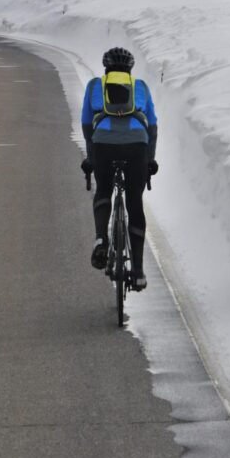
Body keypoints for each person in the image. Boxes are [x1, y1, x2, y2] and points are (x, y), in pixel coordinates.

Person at [80, 47, 158, 290]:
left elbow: (86, 124)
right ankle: (137, 271)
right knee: (134, 202)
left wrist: (91, 157)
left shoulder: (95, 86)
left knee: (103, 189)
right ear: (130, 69)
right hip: (137, 145)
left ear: (106, 69)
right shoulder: (141, 87)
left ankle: (101, 239)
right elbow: (153, 127)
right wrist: (149, 160)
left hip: (104, 144)